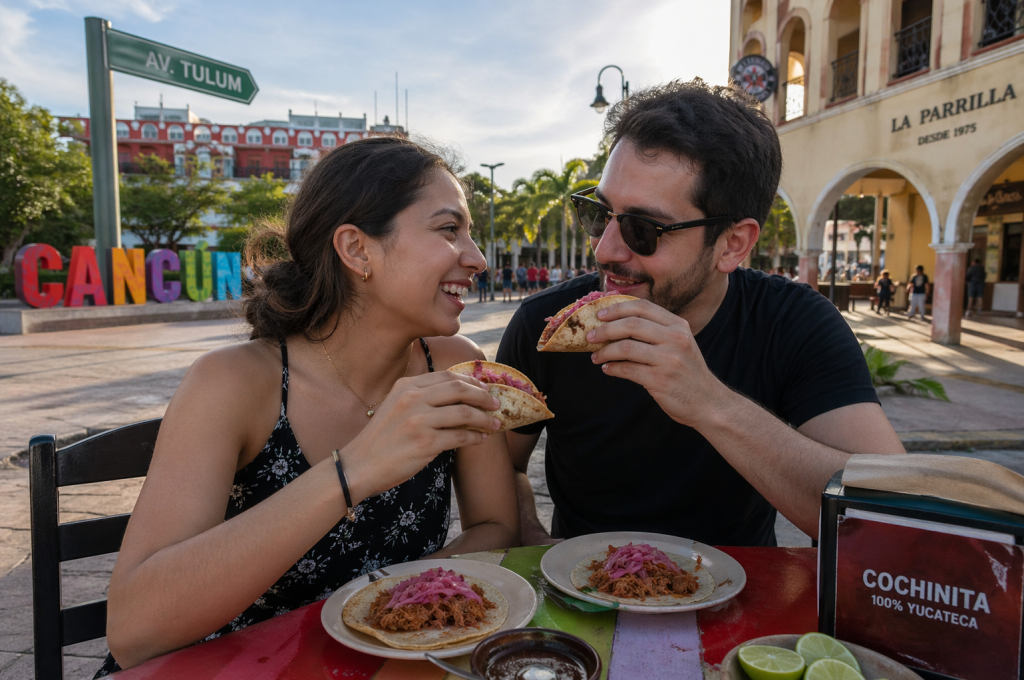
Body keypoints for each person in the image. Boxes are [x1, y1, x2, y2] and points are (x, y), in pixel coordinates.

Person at [98, 138, 518, 673]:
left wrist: (391, 597)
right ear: (357, 249)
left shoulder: (457, 366)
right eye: (448, 229)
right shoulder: (236, 383)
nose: (478, 258)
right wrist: (354, 471)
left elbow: (496, 526)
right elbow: (134, 633)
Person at [497, 79, 903, 548]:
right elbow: (501, 465)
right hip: (580, 601)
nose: (605, 250)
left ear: (732, 244)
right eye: (598, 214)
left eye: (642, 229)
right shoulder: (543, 325)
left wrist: (709, 403)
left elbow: (889, 523)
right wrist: (533, 542)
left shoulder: (793, 323)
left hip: (742, 600)